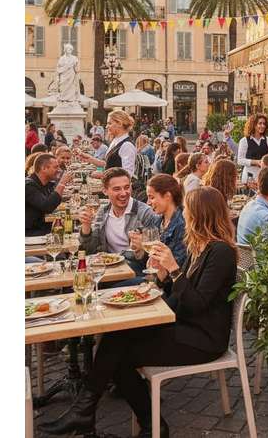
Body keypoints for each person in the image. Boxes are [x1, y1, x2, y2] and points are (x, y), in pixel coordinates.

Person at [40, 187, 239, 438]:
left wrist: (174, 270)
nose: (185, 215)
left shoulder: (220, 252)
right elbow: (182, 295)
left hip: (204, 338)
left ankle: (133, 422)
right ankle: (88, 412)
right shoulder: (200, 247)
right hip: (185, 324)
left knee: (119, 356)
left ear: (201, 215)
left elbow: (197, 303)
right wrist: (164, 276)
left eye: (188, 211)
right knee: (116, 336)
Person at [77, 168, 161, 276]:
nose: (123, 193)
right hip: (108, 270)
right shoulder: (103, 212)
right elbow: (90, 250)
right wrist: (86, 226)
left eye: (127, 187)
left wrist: (140, 248)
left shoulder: (145, 213)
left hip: (135, 271)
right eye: (117, 189)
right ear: (105, 191)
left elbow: (153, 255)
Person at [138, 174, 188, 269]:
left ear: (167, 196)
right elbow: (148, 260)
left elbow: (179, 264)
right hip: (156, 273)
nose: (148, 202)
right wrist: (138, 249)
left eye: (151, 197)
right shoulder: (157, 219)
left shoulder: (183, 224)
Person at [79, 110, 138, 176]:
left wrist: (102, 175)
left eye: (109, 123)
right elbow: (109, 165)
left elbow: (127, 174)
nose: (106, 126)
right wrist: (90, 159)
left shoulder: (127, 145)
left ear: (120, 124)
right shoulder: (115, 141)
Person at [25, 154, 72, 236]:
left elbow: (52, 200)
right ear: (43, 168)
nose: (59, 170)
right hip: (31, 233)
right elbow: (48, 206)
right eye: (55, 167)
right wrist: (62, 183)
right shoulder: (28, 186)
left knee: (72, 228)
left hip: (43, 227)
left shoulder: (46, 184)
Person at [237, 113, 268, 184]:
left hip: (264, 176)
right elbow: (240, 160)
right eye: (260, 123)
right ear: (253, 125)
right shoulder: (244, 141)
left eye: (264, 124)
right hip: (249, 176)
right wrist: (256, 162)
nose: (263, 126)